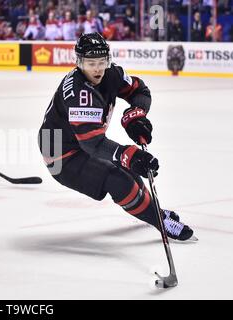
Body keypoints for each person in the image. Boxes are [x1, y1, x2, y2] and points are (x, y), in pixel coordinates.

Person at [38, 33, 195, 241]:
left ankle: (154, 210)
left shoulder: (112, 74)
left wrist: (136, 115)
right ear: (78, 62)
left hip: (78, 143)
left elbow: (141, 91)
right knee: (117, 179)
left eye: (102, 62)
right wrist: (130, 154)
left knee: (127, 169)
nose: (97, 68)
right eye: (90, 63)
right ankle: (160, 221)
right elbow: (92, 144)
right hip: (60, 153)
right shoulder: (79, 94)